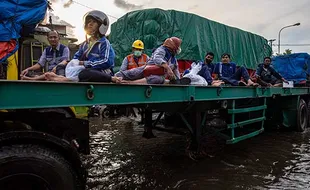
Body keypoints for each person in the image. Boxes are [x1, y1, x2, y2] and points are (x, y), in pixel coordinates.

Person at [22, 10, 121, 83]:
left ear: (101, 26)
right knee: (61, 67)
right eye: (89, 22)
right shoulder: (85, 44)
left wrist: (85, 63)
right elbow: (76, 58)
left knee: (85, 73)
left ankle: (63, 79)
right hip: (85, 69)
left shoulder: (104, 43)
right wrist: (72, 63)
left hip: (101, 72)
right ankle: (51, 78)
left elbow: (107, 61)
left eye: (94, 22)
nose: (90, 24)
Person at [115, 37, 190, 85]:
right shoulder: (162, 50)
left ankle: (129, 83)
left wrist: (177, 80)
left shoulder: (173, 58)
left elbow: (176, 69)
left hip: (156, 75)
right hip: (147, 69)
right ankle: (115, 77)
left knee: (155, 80)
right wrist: (168, 68)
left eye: (140, 49)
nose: (179, 49)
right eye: (178, 46)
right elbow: (157, 59)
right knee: (132, 73)